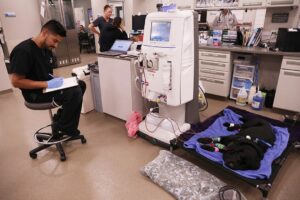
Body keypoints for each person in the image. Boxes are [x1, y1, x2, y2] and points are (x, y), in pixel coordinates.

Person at [10, 20, 86, 138]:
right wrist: (46, 84)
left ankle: (60, 120)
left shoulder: (46, 50)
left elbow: (44, 73)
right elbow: (16, 81)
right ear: (44, 32)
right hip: (34, 94)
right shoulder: (23, 51)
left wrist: (56, 79)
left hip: (46, 88)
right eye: (55, 41)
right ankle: (62, 128)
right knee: (74, 92)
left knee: (80, 84)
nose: (56, 45)